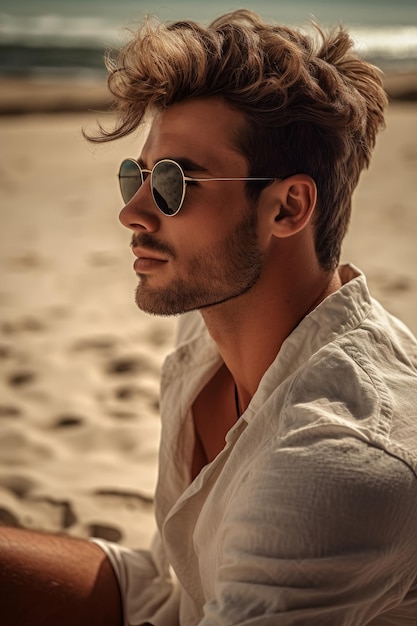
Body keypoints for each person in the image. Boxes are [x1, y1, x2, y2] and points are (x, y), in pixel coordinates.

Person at [1, 8, 417, 625]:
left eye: (174, 182)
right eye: (134, 177)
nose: (133, 214)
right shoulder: (213, 309)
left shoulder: (330, 460)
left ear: (287, 208)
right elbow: (177, 594)